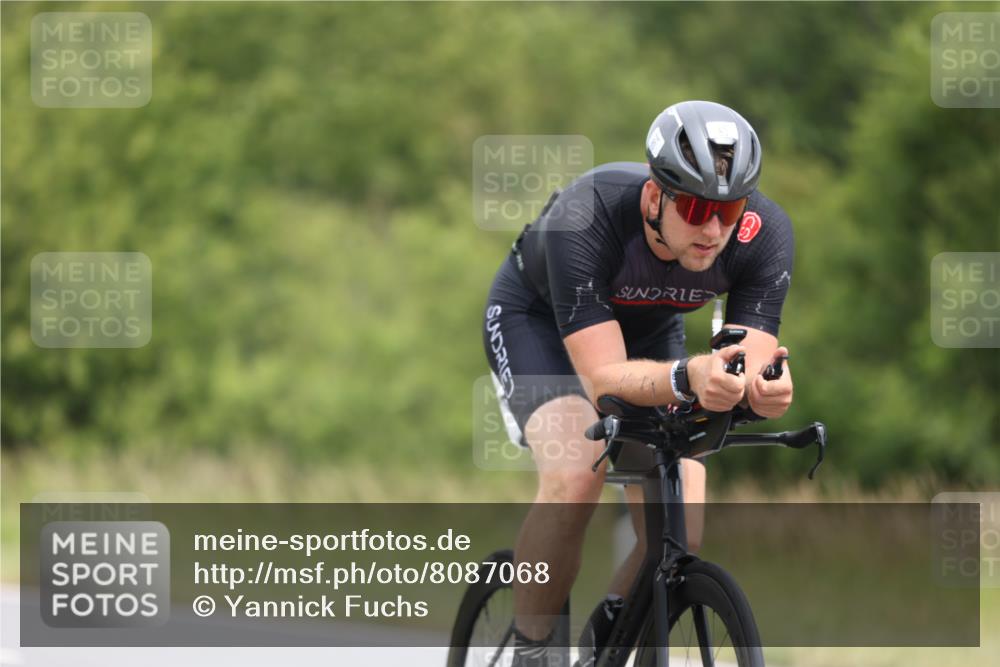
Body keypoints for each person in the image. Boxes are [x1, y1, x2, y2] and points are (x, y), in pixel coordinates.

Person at [482, 100, 795, 666]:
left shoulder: (763, 235)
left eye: (730, 209)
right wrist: (688, 375)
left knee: (682, 526)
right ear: (655, 198)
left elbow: (751, 352)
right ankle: (531, 651)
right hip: (540, 322)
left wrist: (761, 387)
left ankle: (608, 632)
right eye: (698, 207)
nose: (713, 228)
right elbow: (604, 378)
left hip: (650, 334)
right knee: (578, 472)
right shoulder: (589, 214)